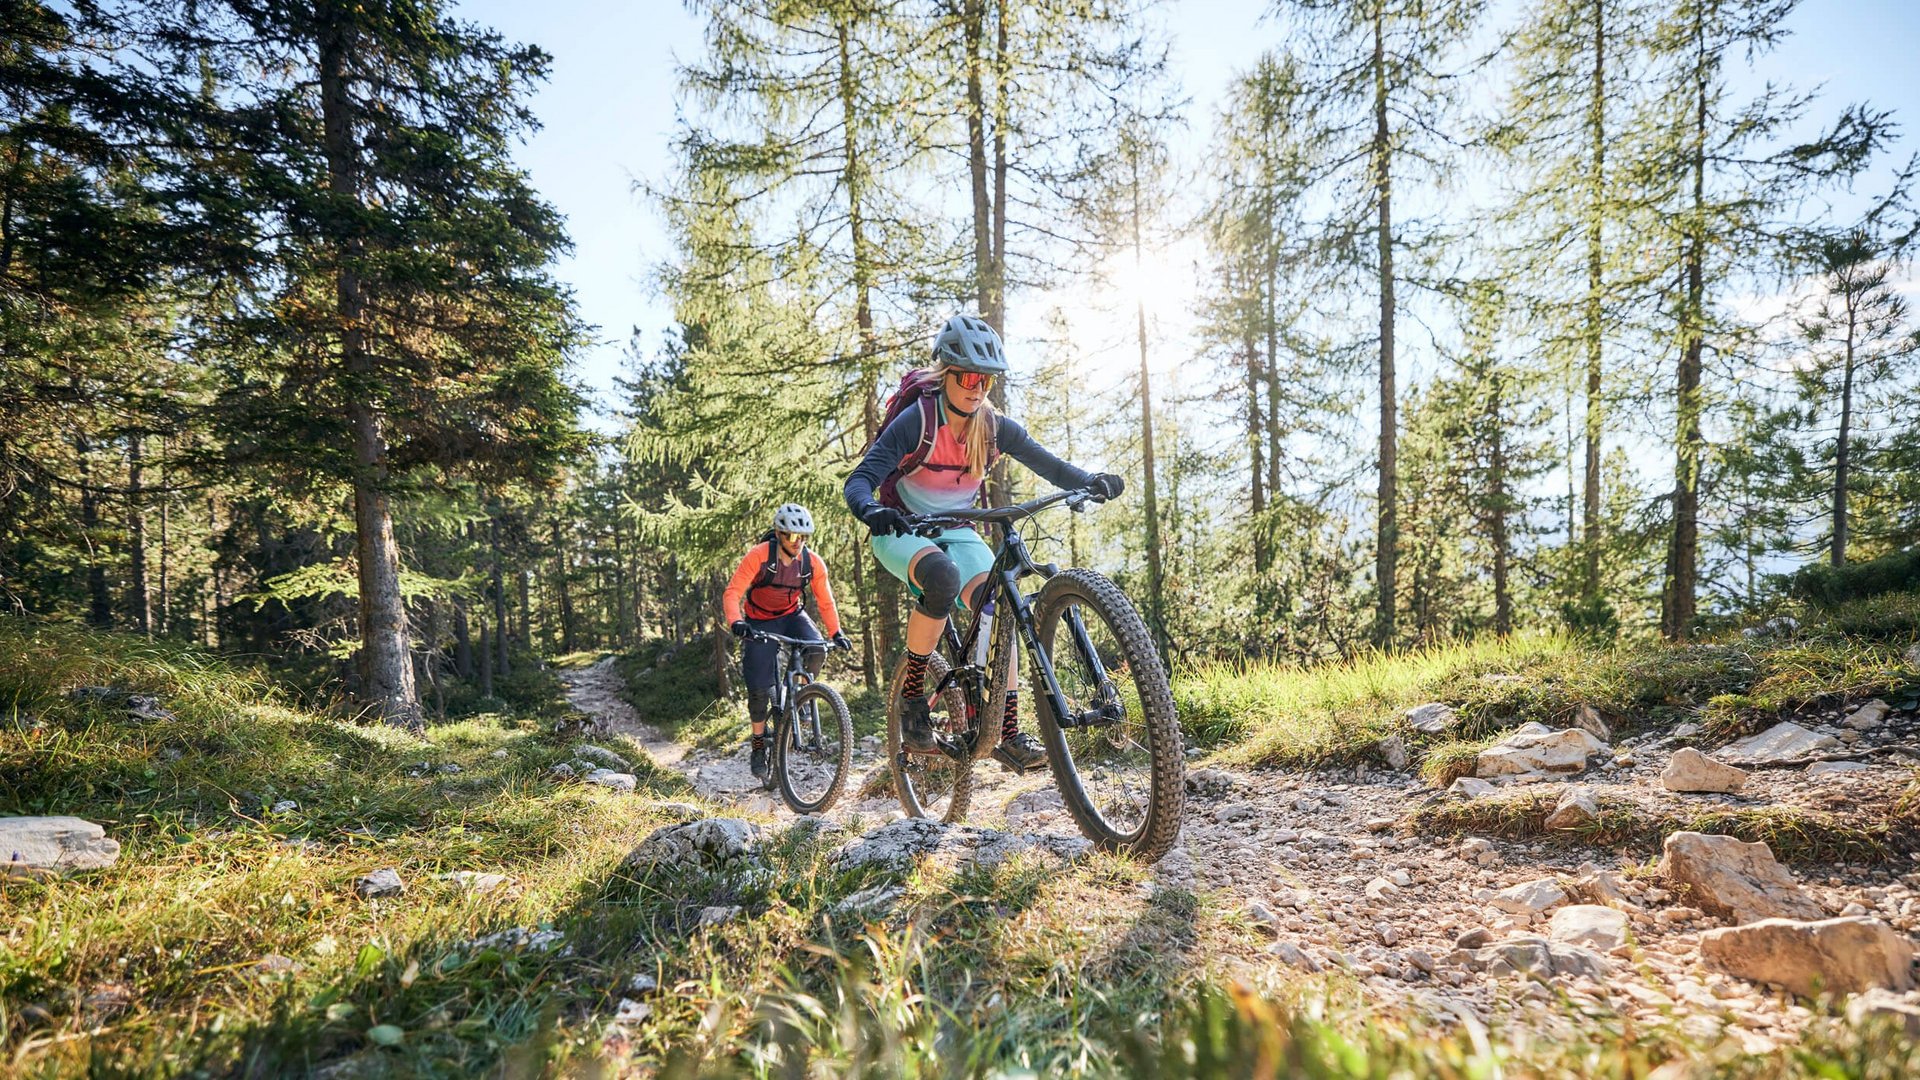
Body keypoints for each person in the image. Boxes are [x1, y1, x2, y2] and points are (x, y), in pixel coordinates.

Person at [843, 314, 1123, 773]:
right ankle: (913, 698)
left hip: (960, 529)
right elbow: (861, 481)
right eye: (969, 377)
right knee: (943, 579)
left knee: (1000, 606)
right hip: (903, 529)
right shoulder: (918, 420)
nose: (977, 388)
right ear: (946, 373)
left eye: (987, 381)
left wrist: (1090, 481)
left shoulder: (993, 427)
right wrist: (873, 510)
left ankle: (1006, 731)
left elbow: (1049, 466)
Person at [721, 503, 851, 780]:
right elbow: (732, 593)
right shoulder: (758, 556)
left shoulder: (812, 562)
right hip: (758, 621)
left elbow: (825, 600)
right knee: (757, 689)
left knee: (816, 648)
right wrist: (737, 622)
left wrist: (836, 632)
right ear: (779, 534)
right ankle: (758, 743)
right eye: (792, 536)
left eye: (803, 537)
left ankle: (798, 695)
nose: (798, 542)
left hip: (792, 615)